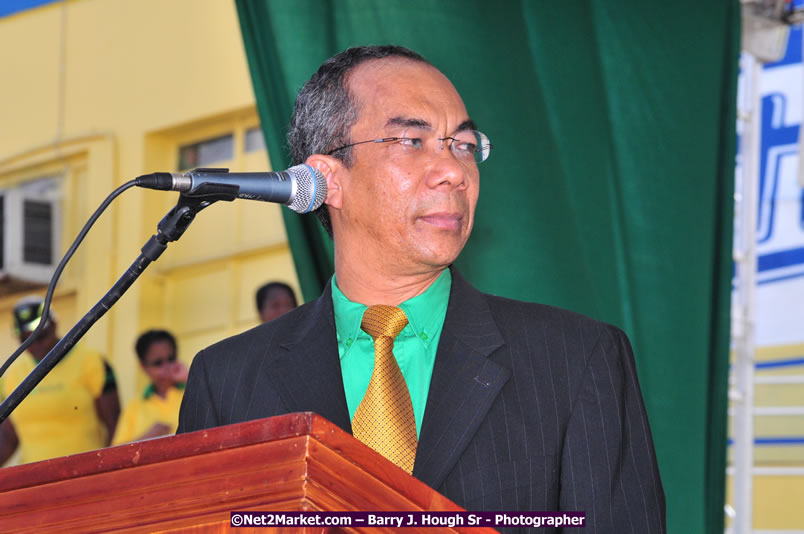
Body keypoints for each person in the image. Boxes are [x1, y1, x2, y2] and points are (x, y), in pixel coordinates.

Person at [178, 45, 665, 530]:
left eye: (464, 145)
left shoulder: (575, 360)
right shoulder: (227, 381)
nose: (455, 171)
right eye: (412, 140)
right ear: (327, 179)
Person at [0, 296, 120, 465]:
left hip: (83, 478)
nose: (35, 346)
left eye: (40, 336)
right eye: (26, 340)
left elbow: (116, 425)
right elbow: (8, 438)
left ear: (55, 324)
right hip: (33, 482)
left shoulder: (91, 362)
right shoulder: (14, 373)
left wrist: (106, 470)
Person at [112, 330, 187, 445]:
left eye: (171, 359)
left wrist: (188, 378)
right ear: (143, 366)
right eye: (158, 363)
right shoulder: (134, 407)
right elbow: (115, 454)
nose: (167, 367)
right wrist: (149, 436)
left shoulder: (191, 391)